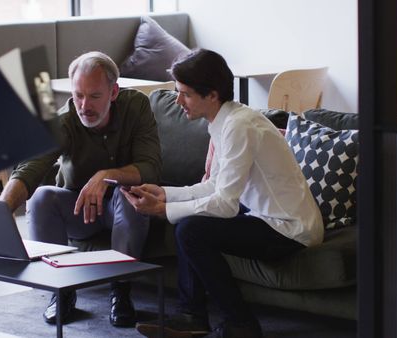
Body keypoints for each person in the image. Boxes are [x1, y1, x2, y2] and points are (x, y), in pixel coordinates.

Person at [122, 49, 324, 338]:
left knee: (192, 229)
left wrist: (162, 210)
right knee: (190, 222)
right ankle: (193, 316)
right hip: (264, 216)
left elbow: (226, 205)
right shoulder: (224, 121)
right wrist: (164, 193)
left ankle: (241, 324)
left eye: (185, 94)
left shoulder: (239, 127)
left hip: (289, 228)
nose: (178, 101)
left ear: (212, 95)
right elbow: (214, 186)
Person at [0, 51, 162, 327]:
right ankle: (61, 293)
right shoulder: (65, 121)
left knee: (129, 193)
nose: (84, 105)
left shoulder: (137, 107)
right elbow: (29, 170)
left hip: (120, 209)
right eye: (78, 95)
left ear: (113, 93)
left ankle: (120, 292)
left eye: (94, 96)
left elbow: (151, 167)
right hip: (79, 211)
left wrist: (107, 176)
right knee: (41, 197)